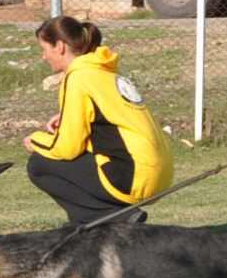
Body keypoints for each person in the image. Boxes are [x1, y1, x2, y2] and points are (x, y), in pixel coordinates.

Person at [23, 15, 173, 226]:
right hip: (160, 174)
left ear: (60, 46)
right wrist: (67, 118)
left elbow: (67, 148)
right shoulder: (103, 72)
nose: (43, 57)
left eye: (44, 48)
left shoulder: (78, 78)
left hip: (132, 177)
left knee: (39, 164)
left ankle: (113, 218)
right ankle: (89, 224)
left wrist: (35, 140)